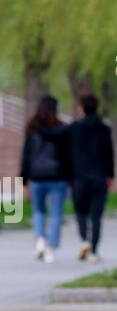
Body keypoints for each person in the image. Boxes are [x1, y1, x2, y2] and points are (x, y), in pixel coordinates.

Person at [21, 95, 71, 262]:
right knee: (56, 213)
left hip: (36, 176)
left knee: (39, 211)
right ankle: (51, 247)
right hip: (58, 176)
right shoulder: (62, 128)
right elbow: (67, 156)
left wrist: (23, 177)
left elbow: (26, 154)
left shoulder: (32, 128)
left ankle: (40, 239)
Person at [68, 95, 114, 263]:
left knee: (80, 212)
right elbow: (109, 155)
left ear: (82, 108)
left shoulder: (74, 128)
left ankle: (84, 241)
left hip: (79, 178)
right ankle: (94, 251)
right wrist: (110, 176)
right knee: (96, 215)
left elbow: (68, 154)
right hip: (99, 177)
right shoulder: (104, 129)